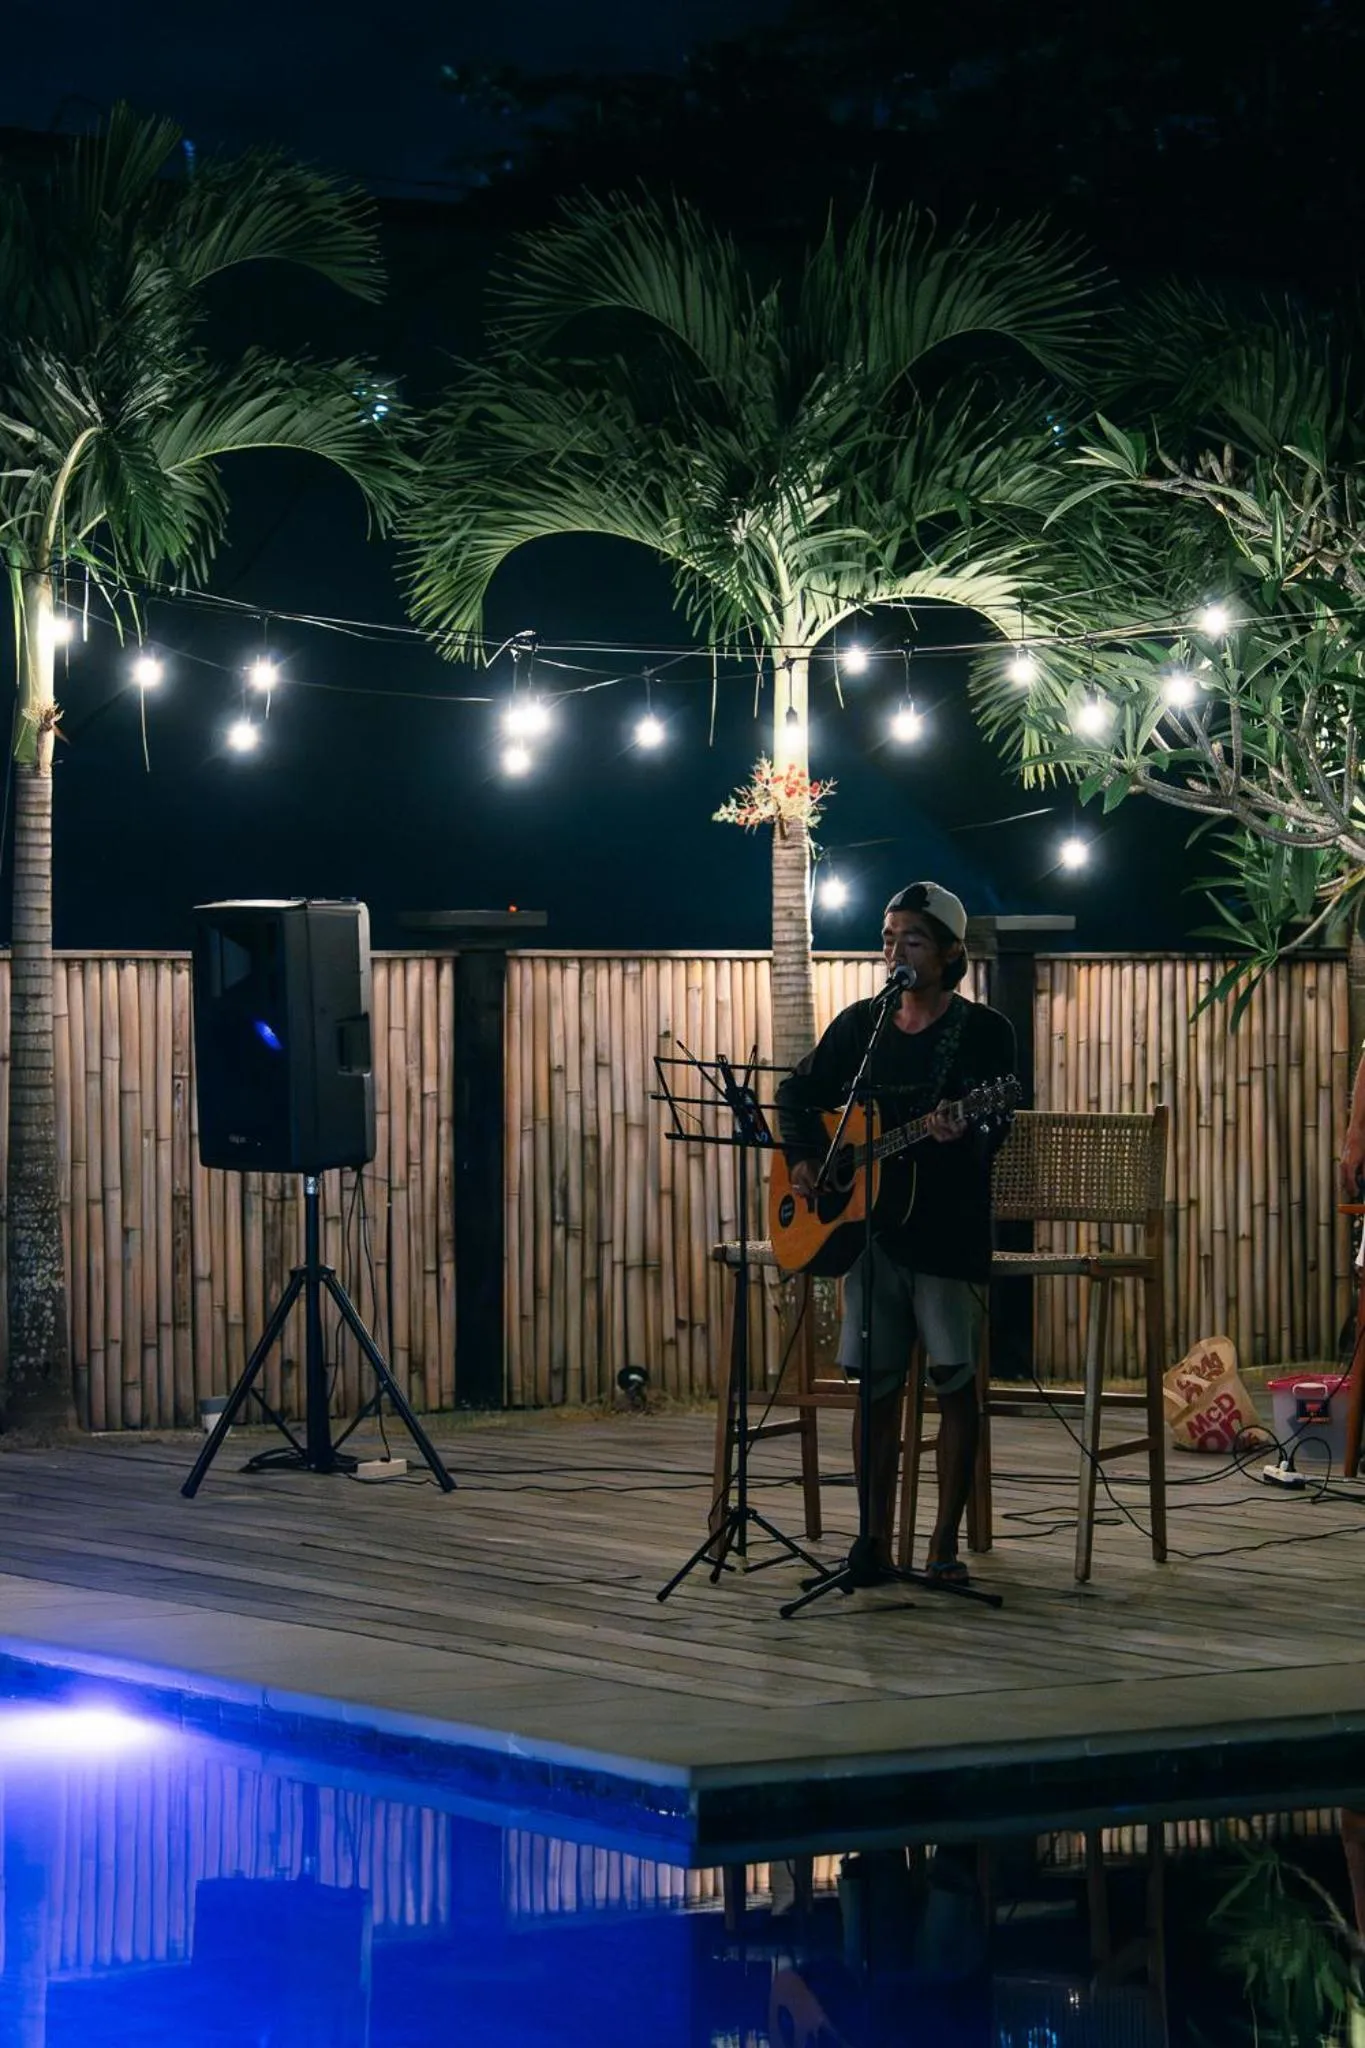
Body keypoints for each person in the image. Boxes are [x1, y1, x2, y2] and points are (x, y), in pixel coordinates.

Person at [776, 883, 1016, 1583]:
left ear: (947, 953)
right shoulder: (863, 1025)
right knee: (873, 1387)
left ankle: (942, 1547)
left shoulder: (981, 1033)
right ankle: (872, 1544)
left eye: (910, 939)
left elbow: (997, 1123)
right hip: (872, 1236)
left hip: (945, 1231)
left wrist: (960, 1128)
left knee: (952, 1382)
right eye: (887, 937)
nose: (894, 951)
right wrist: (802, 1160)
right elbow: (797, 1093)